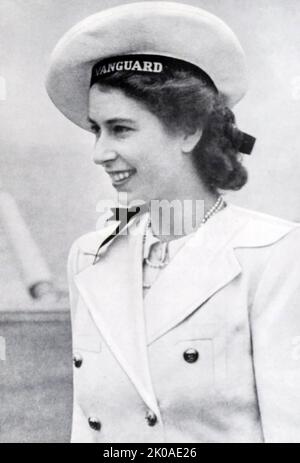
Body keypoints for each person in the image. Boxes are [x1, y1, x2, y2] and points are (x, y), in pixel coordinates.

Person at [46, 2, 300, 443]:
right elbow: (85, 428)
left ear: (188, 130)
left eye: (121, 129)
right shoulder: (88, 257)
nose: (100, 152)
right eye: (96, 130)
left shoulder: (273, 255)